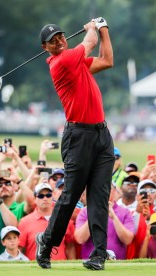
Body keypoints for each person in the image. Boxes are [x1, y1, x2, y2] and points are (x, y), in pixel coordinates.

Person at [35, 17, 114, 270]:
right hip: (78, 136)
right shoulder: (61, 62)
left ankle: (99, 254)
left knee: (99, 197)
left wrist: (104, 30)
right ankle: (46, 243)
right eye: (52, 41)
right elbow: (89, 42)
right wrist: (94, 27)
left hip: (102, 135)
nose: (58, 41)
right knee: (70, 197)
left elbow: (107, 60)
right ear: (45, 48)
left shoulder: (76, 62)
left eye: (60, 36)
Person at [75, 182, 134, 260]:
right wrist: (94, 213)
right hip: (90, 262)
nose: (104, 192)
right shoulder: (85, 211)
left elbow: (127, 240)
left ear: (114, 192)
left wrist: (114, 217)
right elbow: (80, 239)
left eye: (108, 189)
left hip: (117, 264)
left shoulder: (125, 212)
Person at [19, 183, 75, 261]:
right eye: (41, 196)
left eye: (48, 195)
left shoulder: (64, 219)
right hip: (35, 269)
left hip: (60, 269)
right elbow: (20, 250)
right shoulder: (25, 222)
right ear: (35, 198)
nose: (45, 198)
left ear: (52, 196)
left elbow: (70, 247)